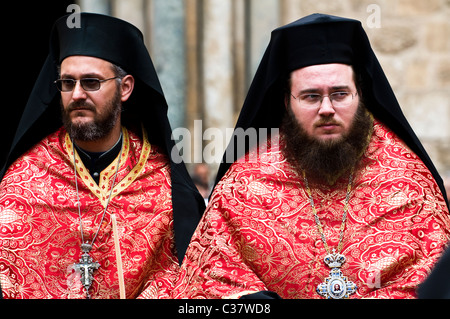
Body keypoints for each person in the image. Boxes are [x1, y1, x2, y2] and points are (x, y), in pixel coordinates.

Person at [172, 14, 450, 299]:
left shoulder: (409, 181)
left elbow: (435, 280)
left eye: (340, 94)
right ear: (287, 102)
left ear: (360, 96)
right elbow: (210, 280)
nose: (327, 108)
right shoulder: (243, 185)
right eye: (311, 96)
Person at [0, 13, 204, 299]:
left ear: (125, 87)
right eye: (67, 83)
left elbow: (195, 279)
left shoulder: (164, 183)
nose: (77, 94)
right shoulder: (24, 181)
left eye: (91, 82)